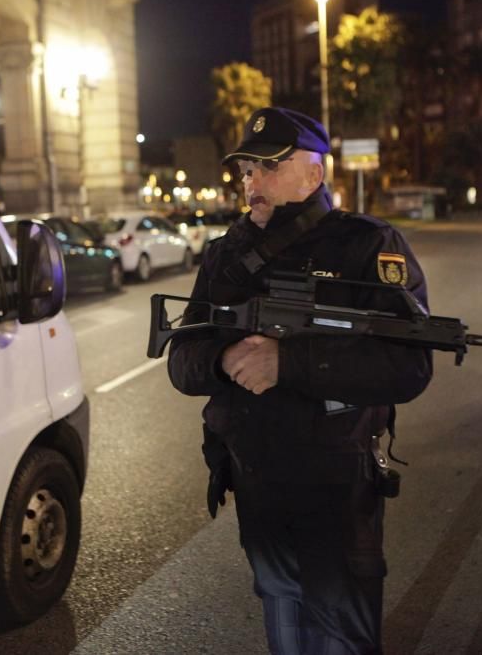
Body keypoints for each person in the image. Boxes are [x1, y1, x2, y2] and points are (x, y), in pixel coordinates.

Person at [166, 106, 432, 655]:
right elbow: (181, 360)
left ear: (314, 174)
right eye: (245, 169)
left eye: (267, 167)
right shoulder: (225, 256)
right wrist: (225, 358)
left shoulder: (367, 246)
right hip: (256, 480)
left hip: (335, 484)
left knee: (341, 634)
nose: (250, 182)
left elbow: (409, 365)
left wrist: (289, 364)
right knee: (282, 619)